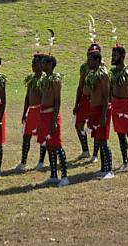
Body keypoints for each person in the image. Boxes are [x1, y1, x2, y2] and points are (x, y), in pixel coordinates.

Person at [37, 55, 69, 187]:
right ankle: (53, 175)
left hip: (52, 116)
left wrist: (54, 120)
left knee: (56, 145)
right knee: (49, 145)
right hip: (44, 115)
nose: (41, 65)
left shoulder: (56, 80)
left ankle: (65, 176)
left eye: (44, 62)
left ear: (50, 64)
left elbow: (57, 101)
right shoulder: (44, 79)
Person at [15, 54, 47, 171]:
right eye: (32, 63)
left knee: (42, 136)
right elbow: (27, 97)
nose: (32, 65)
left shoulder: (44, 79)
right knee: (26, 136)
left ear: (41, 64)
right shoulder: (31, 79)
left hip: (41, 111)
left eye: (35, 63)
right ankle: (23, 162)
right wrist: (24, 112)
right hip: (32, 111)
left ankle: (41, 161)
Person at [86, 45, 114, 179]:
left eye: (90, 60)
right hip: (95, 110)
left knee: (103, 141)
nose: (88, 62)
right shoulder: (92, 74)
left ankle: (109, 170)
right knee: (98, 139)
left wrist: (103, 115)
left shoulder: (103, 74)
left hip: (103, 110)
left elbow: (106, 96)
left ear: (97, 61)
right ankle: (103, 168)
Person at [72, 47, 95, 161]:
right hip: (84, 99)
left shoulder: (102, 69)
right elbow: (80, 86)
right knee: (78, 125)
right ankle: (85, 150)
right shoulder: (84, 68)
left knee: (96, 127)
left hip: (96, 100)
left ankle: (95, 154)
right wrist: (76, 104)